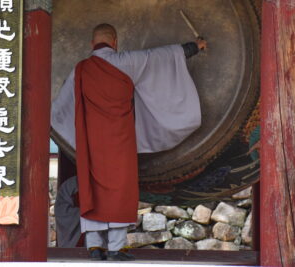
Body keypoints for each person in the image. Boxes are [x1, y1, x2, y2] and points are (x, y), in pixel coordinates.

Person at [51, 23, 206, 261]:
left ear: (92, 44)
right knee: (119, 191)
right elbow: (160, 58)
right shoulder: (126, 61)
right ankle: (115, 247)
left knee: (92, 190)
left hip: (90, 143)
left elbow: (60, 108)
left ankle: (94, 246)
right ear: (115, 42)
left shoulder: (80, 69)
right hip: (120, 141)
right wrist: (194, 46)